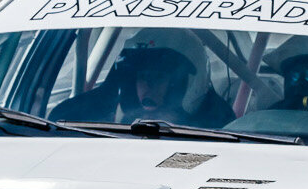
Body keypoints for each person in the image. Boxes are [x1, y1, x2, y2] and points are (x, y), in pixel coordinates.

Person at [54, 45, 222, 128]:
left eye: (159, 77)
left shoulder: (218, 127)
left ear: (179, 84)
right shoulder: (97, 123)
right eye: (142, 77)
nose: (149, 85)